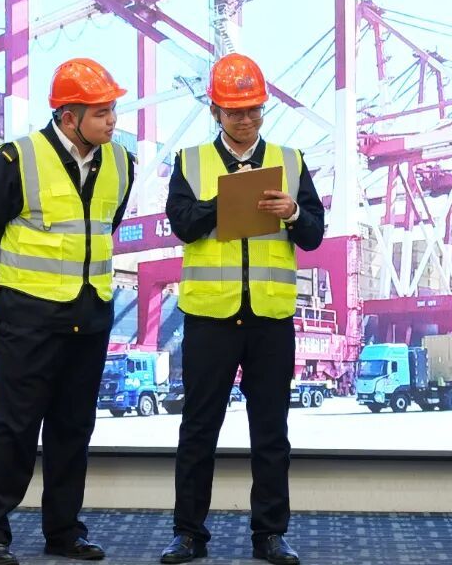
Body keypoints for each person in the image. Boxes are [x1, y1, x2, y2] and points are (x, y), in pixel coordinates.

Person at [159, 53, 325, 565]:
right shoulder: (190, 162)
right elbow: (183, 224)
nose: (247, 119)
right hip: (211, 317)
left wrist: (292, 211)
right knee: (198, 430)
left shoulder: (291, 162)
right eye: (235, 112)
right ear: (215, 111)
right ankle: (188, 534)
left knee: (271, 433)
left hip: (270, 318)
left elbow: (314, 234)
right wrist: (227, 201)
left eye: (254, 109)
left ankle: (270, 535)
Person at [0, 58, 135, 565]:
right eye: (101, 113)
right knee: (15, 426)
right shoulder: (17, 159)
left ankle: (65, 532)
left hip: (91, 314)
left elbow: (104, 225)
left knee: (73, 428)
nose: (112, 121)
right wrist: (26, 284)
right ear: (68, 117)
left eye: (112, 110)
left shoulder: (121, 162)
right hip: (29, 317)